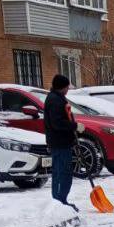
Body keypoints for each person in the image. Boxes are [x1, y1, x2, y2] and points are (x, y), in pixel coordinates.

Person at [44, 74, 79, 211]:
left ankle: (61, 201)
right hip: (59, 143)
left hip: (62, 142)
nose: (68, 89)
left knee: (63, 172)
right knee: (62, 172)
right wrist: (74, 126)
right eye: (67, 87)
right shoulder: (55, 100)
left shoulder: (57, 98)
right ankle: (60, 202)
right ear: (62, 87)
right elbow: (57, 123)